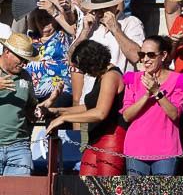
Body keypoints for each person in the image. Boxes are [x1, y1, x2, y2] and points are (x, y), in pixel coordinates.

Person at [47, 40, 126, 175]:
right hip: (95, 138)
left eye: (83, 67)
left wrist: (65, 118)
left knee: (107, 189)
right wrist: (57, 111)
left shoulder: (110, 76)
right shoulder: (101, 76)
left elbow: (100, 113)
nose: (83, 72)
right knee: (86, 186)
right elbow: (89, 107)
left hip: (110, 138)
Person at [121, 36, 183, 176]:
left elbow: (175, 113)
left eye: (151, 55)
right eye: (142, 54)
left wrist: (157, 92)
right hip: (136, 148)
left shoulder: (177, 80)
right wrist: (146, 95)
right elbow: (127, 116)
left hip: (166, 150)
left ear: (163, 55)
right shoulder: (133, 79)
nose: (145, 59)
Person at [74, 0, 144, 93]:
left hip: (121, 93)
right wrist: (84, 32)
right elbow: (72, 60)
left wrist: (115, 29)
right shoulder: (88, 25)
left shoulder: (131, 22)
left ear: (115, 6)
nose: (100, 14)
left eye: (105, 9)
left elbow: (137, 57)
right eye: (97, 9)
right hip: (90, 93)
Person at [0, 33, 37, 176]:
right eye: (21, 58)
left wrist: (45, 106)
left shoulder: (26, 76)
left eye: (26, 60)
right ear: (7, 51)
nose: (24, 63)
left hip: (19, 146)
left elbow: (30, 109)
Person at [24, 4, 72, 105]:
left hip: (58, 90)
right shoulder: (30, 38)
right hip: (31, 90)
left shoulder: (64, 35)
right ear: (34, 21)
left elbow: (74, 30)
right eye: (39, 18)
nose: (43, 21)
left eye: (47, 17)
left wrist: (54, 11)